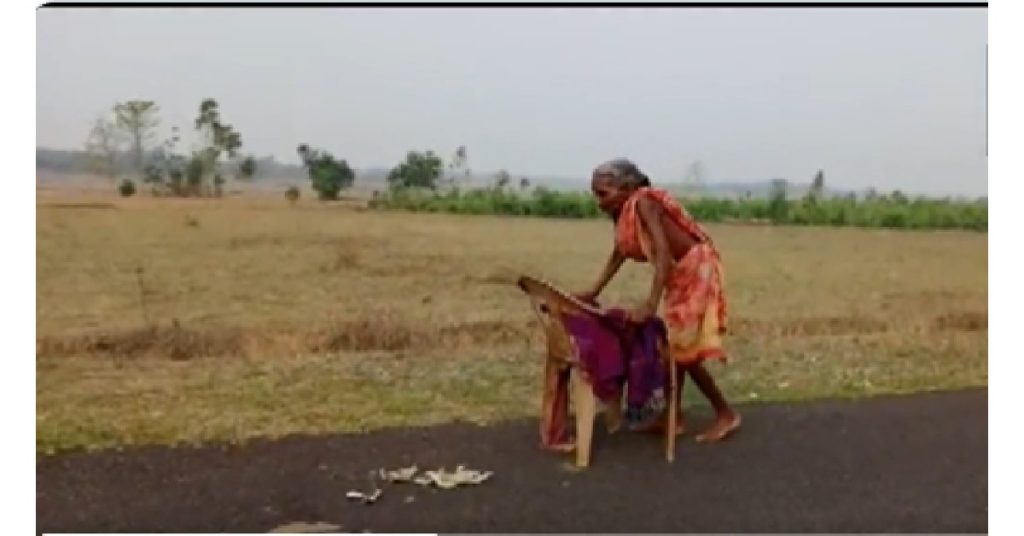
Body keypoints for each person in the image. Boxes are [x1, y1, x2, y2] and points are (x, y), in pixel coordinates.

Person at [576, 158, 741, 443]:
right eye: (595, 195)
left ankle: (725, 413)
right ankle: (673, 417)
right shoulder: (625, 212)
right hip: (680, 273)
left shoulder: (643, 203)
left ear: (626, 188)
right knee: (675, 348)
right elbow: (620, 252)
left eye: (603, 194)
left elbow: (663, 254)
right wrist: (594, 290)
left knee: (682, 351)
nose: (599, 202)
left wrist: (649, 305)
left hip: (695, 267)